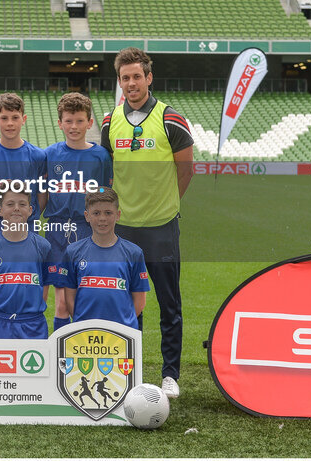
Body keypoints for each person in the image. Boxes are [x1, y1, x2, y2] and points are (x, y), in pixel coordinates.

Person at [101, 47, 193, 399]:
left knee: (169, 304)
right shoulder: (110, 121)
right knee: (126, 304)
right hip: (124, 230)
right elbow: (110, 172)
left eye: (137, 76)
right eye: (125, 78)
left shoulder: (171, 120)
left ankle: (170, 374)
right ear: (120, 82)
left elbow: (185, 172)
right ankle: (132, 368)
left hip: (161, 228)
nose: (131, 83)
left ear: (149, 78)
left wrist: (164, 206)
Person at [41, 92, 112, 332]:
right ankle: (61, 356)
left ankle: (84, 346)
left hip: (87, 231)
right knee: (61, 302)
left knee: (85, 297)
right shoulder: (49, 154)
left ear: (90, 123)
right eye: (69, 121)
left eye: (80, 121)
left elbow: (105, 195)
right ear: (60, 123)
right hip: (57, 231)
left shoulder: (100, 156)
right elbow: (41, 192)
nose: (74, 126)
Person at [59, 188, 149, 331]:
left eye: (108, 213)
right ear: (87, 216)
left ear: (118, 215)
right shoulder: (73, 252)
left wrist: (124, 325)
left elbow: (139, 300)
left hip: (121, 333)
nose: (102, 218)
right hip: (85, 332)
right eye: (96, 213)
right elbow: (70, 297)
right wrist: (81, 322)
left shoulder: (133, 252)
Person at [0, 189, 55, 339]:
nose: (17, 208)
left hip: (32, 324)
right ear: (0, 210)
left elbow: (44, 286)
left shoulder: (43, 246)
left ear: (31, 210)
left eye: (22, 204)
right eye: (10, 204)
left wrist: (32, 310)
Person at [0, 92, 46, 241]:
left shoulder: (37, 156)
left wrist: (24, 217)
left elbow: (41, 196)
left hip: (27, 227)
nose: (10, 123)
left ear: (23, 119)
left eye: (15, 118)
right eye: (4, 118)